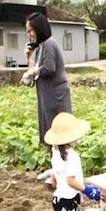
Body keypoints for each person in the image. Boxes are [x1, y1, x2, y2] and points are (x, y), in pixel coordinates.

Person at [44, 112, 101, 211]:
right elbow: (71, 181)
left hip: (58, 198)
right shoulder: (72, 156)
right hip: (69, 199)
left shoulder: (55, 151)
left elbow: (56, 177)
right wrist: (88, 190)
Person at [21, 12, 72, 147]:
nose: (29, 34)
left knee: (59, 134)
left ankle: (63, 165)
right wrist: (29, 58)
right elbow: (36, 72)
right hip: (46, 95)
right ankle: (55, 162)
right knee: (51, 133)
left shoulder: (49, 44)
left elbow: (49, 68)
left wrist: (32, 72)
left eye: (30, 30)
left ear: (39, 28)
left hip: (55, 96)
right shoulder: (40, 47)